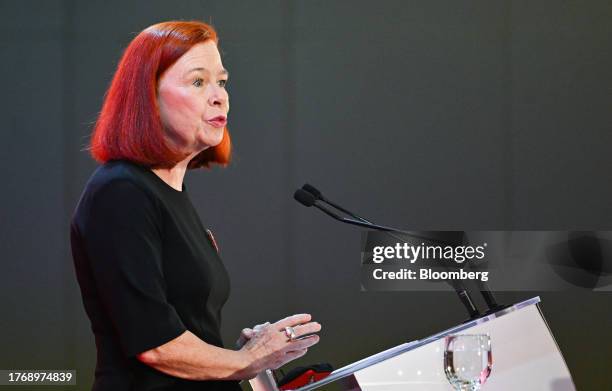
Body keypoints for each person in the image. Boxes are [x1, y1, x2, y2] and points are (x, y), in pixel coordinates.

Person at [70, 20, 320, 391]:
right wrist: (245, 360)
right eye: (198, 81)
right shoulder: (120, 192)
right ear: (147, 97)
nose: (219, 95)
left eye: (221, 81)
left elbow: (188, 329)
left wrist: (250, 352)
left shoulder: (168, 191)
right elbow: (154, 343)